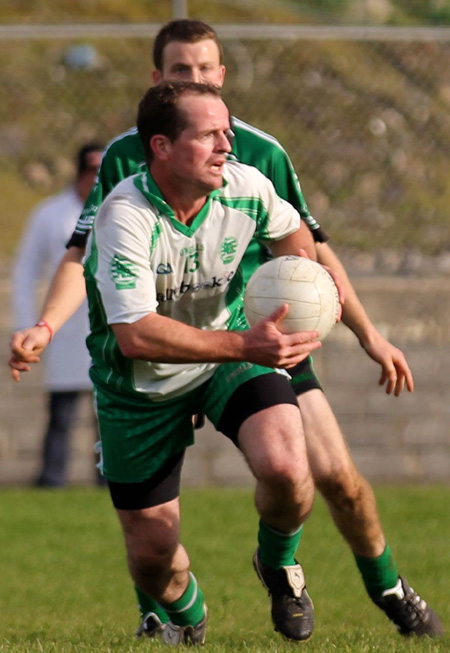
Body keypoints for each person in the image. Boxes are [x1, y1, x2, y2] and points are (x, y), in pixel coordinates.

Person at [8, 20, 442, 639]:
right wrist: (47, 325)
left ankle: (333, 574)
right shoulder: (122, 191)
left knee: (314, 474)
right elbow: (116, 306)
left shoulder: (253, 162)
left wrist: (355, 328)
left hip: (247, 339)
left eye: (205, 71)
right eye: (181, 73)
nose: (224, 142)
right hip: (155, 368)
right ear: (159, 92)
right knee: (153, 550)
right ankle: (171, 610)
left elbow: (309, 257)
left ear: (222, 74)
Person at [85, 80, 325, 645]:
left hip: (231, 357)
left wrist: (291, 301)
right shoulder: (124, 216)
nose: (227, 145)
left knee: (289, 468)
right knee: (152, 556)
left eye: (228, 130)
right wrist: (248, 345)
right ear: (162, 147)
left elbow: (296, 240)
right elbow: (136, 335)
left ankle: (278, 566)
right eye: (210, 134)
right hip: (140, 387)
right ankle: (189, 617)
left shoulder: (246, 186)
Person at [12, 142, 104, 487]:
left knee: (107, 413)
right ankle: (52, 480)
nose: (94, 182)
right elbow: (26, 271)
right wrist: (28, 325)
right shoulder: (50, 214)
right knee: (62, 414)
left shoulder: (123, 208)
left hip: (109, 326)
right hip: (63, 328)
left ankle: (109, 483)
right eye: (90, 173)